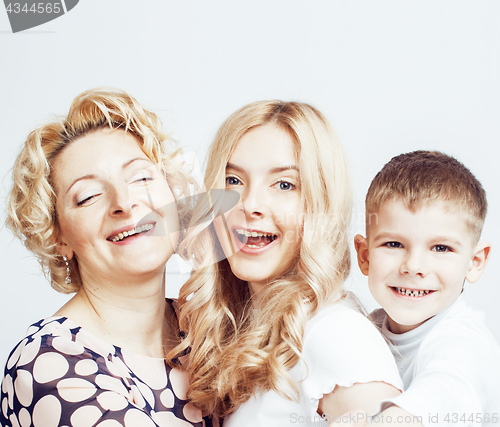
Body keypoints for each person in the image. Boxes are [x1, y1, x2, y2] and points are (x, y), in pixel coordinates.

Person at [170, 101, 403, 426]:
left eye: (284, 185)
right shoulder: (250, 330)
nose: (250, 205)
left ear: (320, 204)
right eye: (233, 180)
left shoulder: (335, 335)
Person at [1, 88, 208, 427]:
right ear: (57, 236)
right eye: (88, 196)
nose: (124, 203)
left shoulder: (206, 326)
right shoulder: (48, 365)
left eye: (141, 177)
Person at [354, 151, 500, 426]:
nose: (413, 266)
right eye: (394, 244)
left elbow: (445, 391)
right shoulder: (363, 330)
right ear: (364, 256)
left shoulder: (464, 343)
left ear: (475, 262)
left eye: (441, 248)